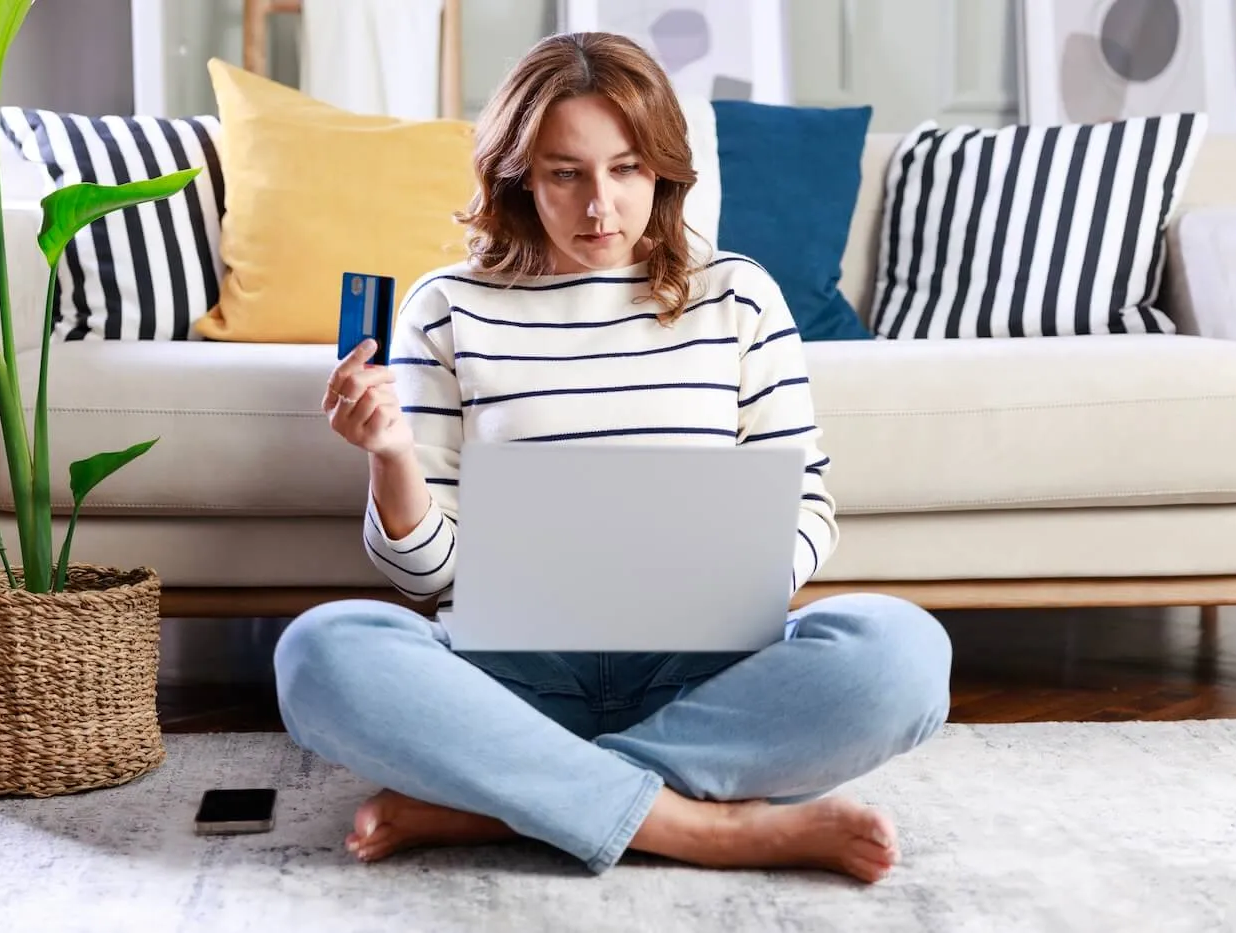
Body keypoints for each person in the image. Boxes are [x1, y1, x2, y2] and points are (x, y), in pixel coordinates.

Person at [273, 31, 951, 884]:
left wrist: (737, 579)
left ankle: (499, 803)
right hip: (510, 677)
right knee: (319, 651)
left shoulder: (738, 295)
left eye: (627, 169)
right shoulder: (448, 306)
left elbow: (808, 507)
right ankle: (708, 828)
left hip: (705, 674)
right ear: (518, 175)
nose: (602, 206)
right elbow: (425, 577)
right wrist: (391, 455)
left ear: (663, 169)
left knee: (904, 652)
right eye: (567, 174)